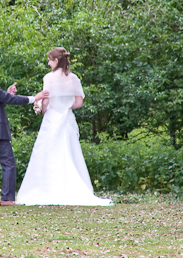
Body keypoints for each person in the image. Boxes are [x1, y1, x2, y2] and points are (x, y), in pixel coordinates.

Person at [17, 48, 113, 206]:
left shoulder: (49, 77)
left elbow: (46, 100)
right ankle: (72, 187)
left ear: (56, 61)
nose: (48, 63)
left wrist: (42, 109)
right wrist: (66, 108)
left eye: (49, 60)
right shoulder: (74, 78)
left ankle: (46, 189)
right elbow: (79, 102)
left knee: (48, 153)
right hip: (67, 118)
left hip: (52, 118)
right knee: (69, 152)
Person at [0, 61, 49, 207]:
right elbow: (12, 100)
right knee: (9, 164)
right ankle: (7, 199)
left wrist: (6, 94)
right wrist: (34, 98)